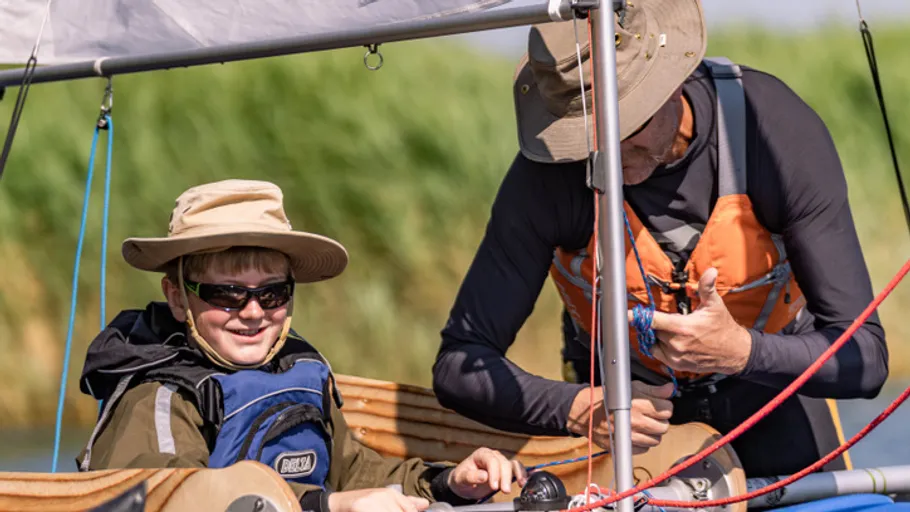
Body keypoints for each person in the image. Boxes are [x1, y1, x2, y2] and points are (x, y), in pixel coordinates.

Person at [432, 0, 888, 478]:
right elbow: (459, 365)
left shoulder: (775, 132)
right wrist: (575, 408)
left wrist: (741, 352)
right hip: (626, 439)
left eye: (626, 128)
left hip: (774, 409)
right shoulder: (548, 175)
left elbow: (867, 359)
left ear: (671, 88)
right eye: (585, 137)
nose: (606, 154)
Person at [76, 179, 527, 512]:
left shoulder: (302, 370)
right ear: (178, 297)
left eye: (272, 293)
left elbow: (355, 474)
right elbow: (176, 498)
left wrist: (450, 482)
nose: (253, 312)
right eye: (227, 294)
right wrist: (328, 507)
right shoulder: (158, 397)